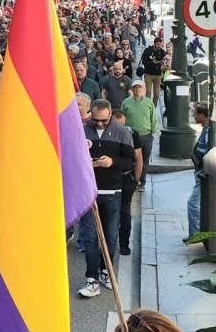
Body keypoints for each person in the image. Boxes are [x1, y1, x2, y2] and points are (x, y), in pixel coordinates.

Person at [78, 100, 135, 299]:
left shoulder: (122, 132)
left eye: (104, 120)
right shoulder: (82, 131)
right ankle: (91, 278)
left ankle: (105, 271)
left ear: (110, 114)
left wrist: (112, 162)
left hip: (112, 192)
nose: (100, 124)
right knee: (91, 238)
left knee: (110, 238)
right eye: (96, 120)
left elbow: (130, 161)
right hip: (89, 193)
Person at [187, 101, 216, 240]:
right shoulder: (206, 129)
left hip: (206, 174)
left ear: (203, 115)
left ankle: (196, 235)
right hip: (201, 173)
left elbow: (213, 153)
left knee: (193, 204)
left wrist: (199, 162)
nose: (193, 116)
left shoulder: (212, 131)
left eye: (195, 114)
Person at [112, 110, 143, 256]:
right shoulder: (130, 133)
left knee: (122, 212)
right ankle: (120, 245)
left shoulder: (131, 134)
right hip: (115, 178)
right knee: (120, 212)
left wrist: (135, 179)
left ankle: (122, 243)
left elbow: (139, 158)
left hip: (123, 178)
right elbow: (139, 159)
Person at [122, 80, 159, 191]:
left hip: (146, 135)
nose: (137, 90)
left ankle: (142, 182)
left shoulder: (149, 102)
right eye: (135, 87)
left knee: (145, 160)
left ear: (143, 89)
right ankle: (132, 180)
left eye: (140, 87)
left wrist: (153, 131)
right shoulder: (126, 102)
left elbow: (153, 118)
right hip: (131, 135)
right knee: (131, 159)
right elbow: (122, 118)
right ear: (132, 89)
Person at [141, 37, 167, 104]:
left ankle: (153, 108)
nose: (159, 46)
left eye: (161, 45)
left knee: (157, 94)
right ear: (154, 44)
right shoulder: (148, 50)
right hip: (148, 74)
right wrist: (152, 62)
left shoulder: (162, 52)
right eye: (158, 44)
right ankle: (148, 107)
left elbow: (164, 61)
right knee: (148, 91)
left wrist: (162, 64)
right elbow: (144, 61)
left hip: (158, 74)